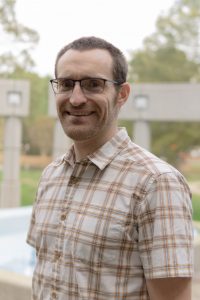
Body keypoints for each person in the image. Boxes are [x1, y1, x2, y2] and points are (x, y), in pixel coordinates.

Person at [27, 36, 193, 300]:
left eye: (94, 84)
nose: (77, 98)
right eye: (66, 84)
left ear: (122, 94)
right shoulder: (51, 176)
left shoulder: (157, 183)